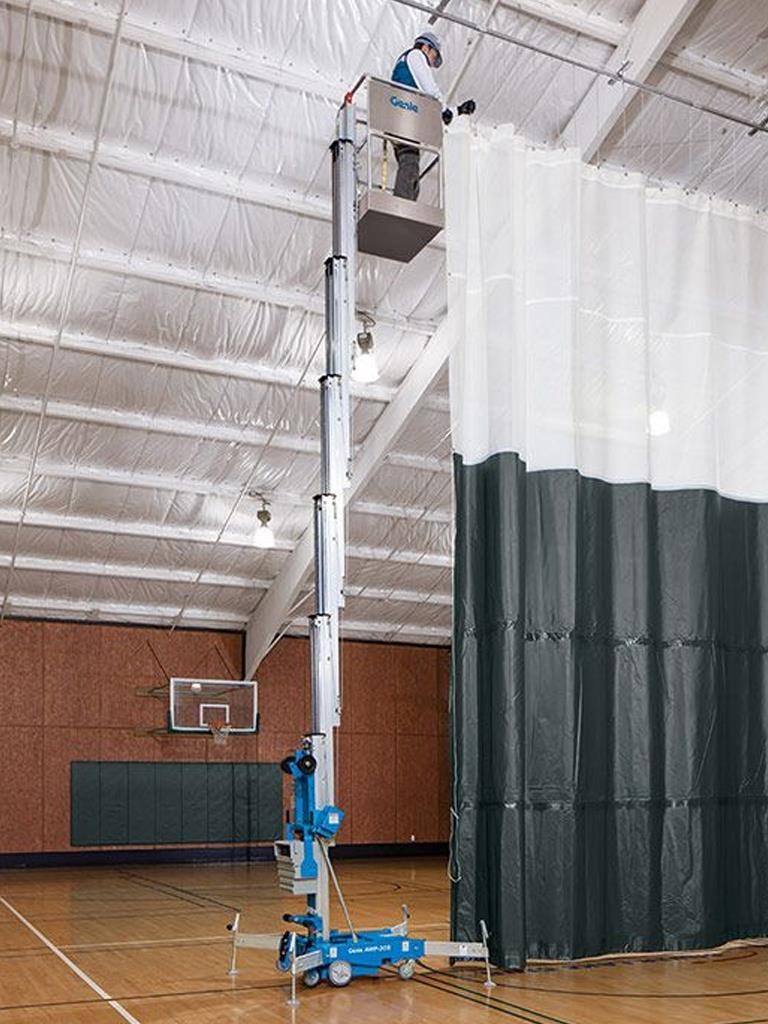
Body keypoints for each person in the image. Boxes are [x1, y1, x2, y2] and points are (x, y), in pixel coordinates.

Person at [390, 32, 475, 201]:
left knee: (410, 163)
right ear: (426, 47)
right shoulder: (416, 55)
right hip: (404, 115)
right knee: (410, 162)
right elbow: (429, 88)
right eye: (433, 55)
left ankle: (407, 202)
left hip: (401, 115)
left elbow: (434, 107)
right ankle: (402, 204)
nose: (430, 63)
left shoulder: (405, 62)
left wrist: (457, 110)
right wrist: (444, 109)